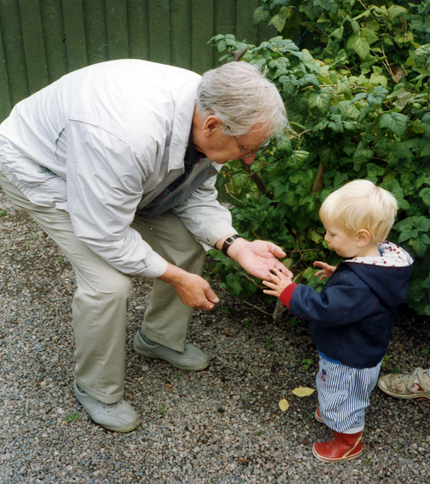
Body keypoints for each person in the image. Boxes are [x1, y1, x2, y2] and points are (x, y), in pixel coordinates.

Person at [0, 59, 292, 432]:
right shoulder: (127, 136)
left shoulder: (210, 110)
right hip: (39, 166)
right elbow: (103, 231)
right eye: (247, 148)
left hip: (112, 171)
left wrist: (236, 245)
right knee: (109, 284)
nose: (250, 158)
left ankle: (158, 339)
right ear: (213, 126)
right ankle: (96, 388)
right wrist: (176, 278)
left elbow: (194, 193)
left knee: (186, 244)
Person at [262, 180, 413, 462]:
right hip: (362, 349)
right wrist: (340, 273)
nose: (326, 238)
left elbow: (325, 309)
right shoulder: (378, 262)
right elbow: (362, 287)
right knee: (345, 389)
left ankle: (348, 440)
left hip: (349, 356)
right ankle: (337, 410)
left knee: (344, 395)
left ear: (361, 237)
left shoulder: (358, 286)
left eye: (332, 233)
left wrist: (289, 291)